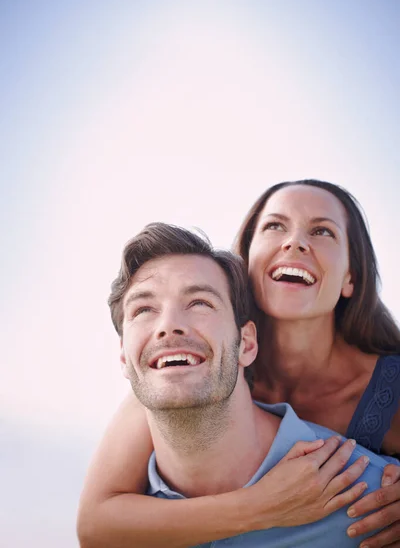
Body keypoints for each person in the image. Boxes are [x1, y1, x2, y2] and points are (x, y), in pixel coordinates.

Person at [77, 181, 400, 548]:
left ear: (350, 278)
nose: (294, 242)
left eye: (322, 231)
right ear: (247, 259)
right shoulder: (195, 368)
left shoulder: (388, 388)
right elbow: (96, 523)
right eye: (275, 226)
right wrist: (262, 506)